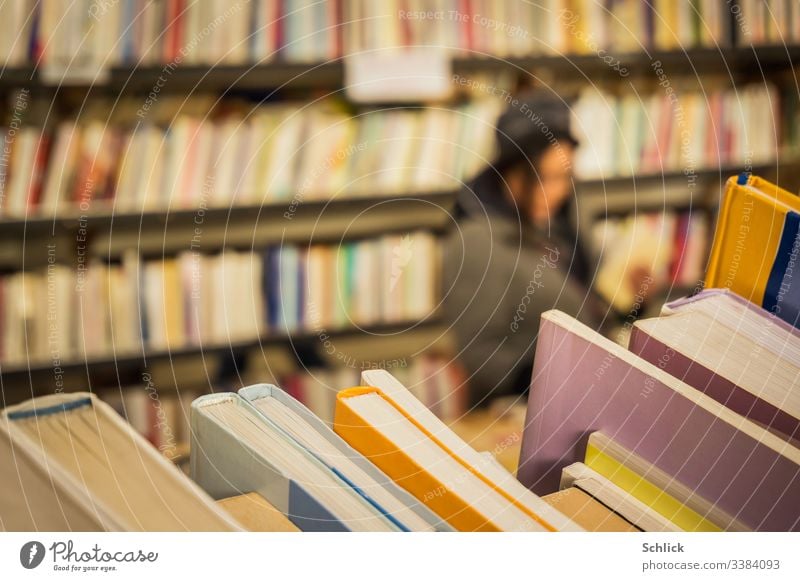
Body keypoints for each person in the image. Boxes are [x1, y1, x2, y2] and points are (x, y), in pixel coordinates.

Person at [442, 91, 610, 406]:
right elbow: (480, 355)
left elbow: (583, 302)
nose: (557, 192)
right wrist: (550, 380)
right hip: (521, 415)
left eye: (565, 178)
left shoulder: (562, 223)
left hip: (582, 396)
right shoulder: (476, 241)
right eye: (545, 178)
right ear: (512, 172)